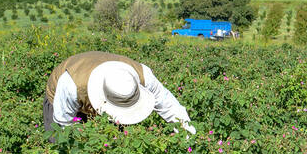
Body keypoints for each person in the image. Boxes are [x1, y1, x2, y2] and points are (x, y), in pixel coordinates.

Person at [44, 51, 196, 138]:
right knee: (58, 143)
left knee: (113, 139)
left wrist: (188, 138)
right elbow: (63, 123)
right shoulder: (71, 84)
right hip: (62, 94)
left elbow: (171, 106)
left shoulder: (143, 76)